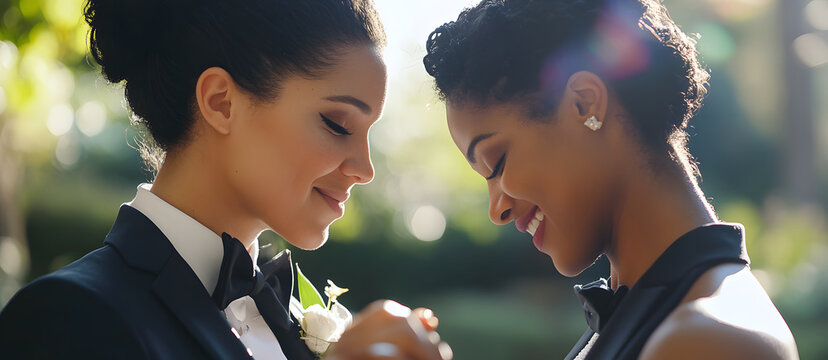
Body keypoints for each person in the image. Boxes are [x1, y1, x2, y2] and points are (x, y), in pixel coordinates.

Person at [0, 0, 449, 359]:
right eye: (337, 123)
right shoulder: (69, 315)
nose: (365, 169)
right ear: (220, 102)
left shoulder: (298, 319)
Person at [423, 0, 799, 359]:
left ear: (585, 104)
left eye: (497, 162)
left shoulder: (712, 341)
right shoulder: (636, 315)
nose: (497, 210)